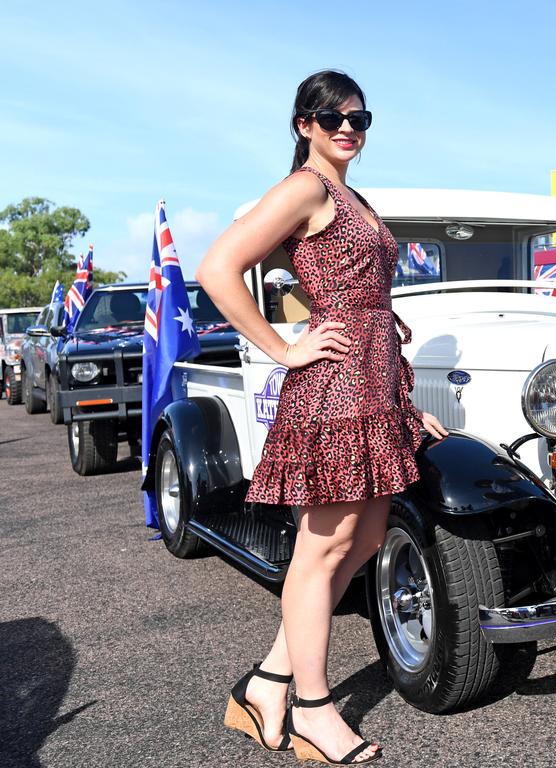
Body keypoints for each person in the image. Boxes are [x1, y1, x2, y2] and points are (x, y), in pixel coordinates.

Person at [197, 70, 447, 764]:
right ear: (303, 123)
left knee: (364, 538)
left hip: (375, 381)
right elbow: (219, 267)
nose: (348, 128)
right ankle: (313, 707)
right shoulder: (306, 188)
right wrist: (283, 347)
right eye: (332, 117)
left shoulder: (350, 194)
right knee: (321, 548)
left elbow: (364, 294)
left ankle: (269, 682)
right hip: (334, 385)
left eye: (360, 118)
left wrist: (402, 399)